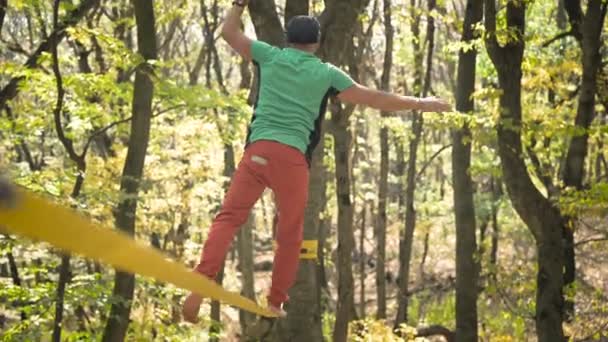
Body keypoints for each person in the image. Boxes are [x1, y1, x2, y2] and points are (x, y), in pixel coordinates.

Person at [182, 0, 451, 322]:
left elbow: (228, 32)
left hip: (258, 153)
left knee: (227, 218)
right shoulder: (326, 73)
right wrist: (421, 103)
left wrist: (239, 4)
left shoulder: (270, 56)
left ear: (288, 39)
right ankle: (275, 301)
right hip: (292, 160)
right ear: (317, 43)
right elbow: (374, 98)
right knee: (290, 234)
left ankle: (202, 277)